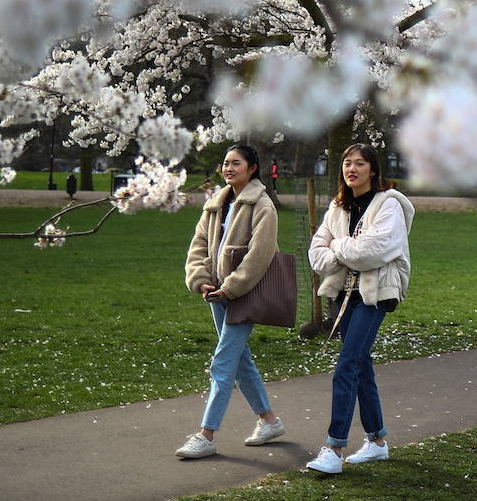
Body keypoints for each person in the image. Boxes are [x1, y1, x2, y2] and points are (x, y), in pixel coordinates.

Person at [306, 143, 416, 475]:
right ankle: (377, 441)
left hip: (375, 294)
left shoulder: (388, 205)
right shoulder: (337, 207)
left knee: (347, 366)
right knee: (361, 366)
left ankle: (333, 447)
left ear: (373, 169)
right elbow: (316, 255)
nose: (351, 169)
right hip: (344, 295)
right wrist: (344, 250)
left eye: (359, 164)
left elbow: (374, 250)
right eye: (347, 164)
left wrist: (338, 246)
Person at [177, 145, 285, 459]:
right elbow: (198, 245)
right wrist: (200, 279)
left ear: (252, 168)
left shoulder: (263, 205)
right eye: (225, 163)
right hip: (215, 293)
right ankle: (270, 422)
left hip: (244, 294)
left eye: (235, 163)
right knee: (240, 361)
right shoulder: (216, 204)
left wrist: (232, 287)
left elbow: (260, 255)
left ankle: (206, 435)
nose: (228, 168)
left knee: (223, 363)